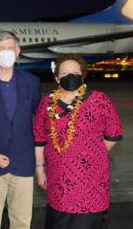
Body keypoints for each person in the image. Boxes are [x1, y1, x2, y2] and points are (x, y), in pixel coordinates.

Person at [33, 54, 123, 229]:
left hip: (90, 180)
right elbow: (39, 138)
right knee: (59, 221)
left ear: (82, 75)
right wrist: (40, 170)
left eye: (75, 72)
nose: (71, 76)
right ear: (57, 77)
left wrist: (89, 154)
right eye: (65, 72)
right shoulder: (47, 102)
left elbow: (113, 134)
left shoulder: (98, 100)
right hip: (57, 178)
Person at [0, 31, 41, 229]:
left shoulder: (32, 83)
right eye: (2, 48)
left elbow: (38, 122)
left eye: (10, 48)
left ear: (18, 51)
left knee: (22, 222)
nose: (7, 52)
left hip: (23, 164)